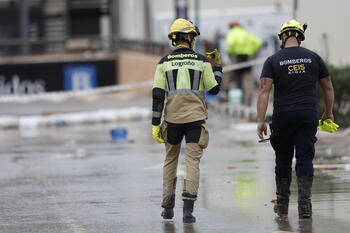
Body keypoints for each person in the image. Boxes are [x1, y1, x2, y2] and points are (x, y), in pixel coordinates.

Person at [257, 19, 335, 218]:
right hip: (307, 115)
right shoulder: (314, 58)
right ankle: (305, 205)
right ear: (300, 37)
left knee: (283, 159)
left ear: (283, 37)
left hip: (283, 116)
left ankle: (282, 205)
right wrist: (328, 112)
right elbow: (328, 87)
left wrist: (260, 120)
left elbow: (264, 91)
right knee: (304, 158)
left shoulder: (273, 60)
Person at [151, 18, 222, 223]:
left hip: (172, 120)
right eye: (193, 36)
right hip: (195, 120)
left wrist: (155, 124)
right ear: (189, 37)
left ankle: (167, 208)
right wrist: (217, 66)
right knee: (192, 162)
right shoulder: (201, 61)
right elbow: (214, 89)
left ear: (175, 39)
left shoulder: (163, 63)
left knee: (170, 161)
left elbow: (158, 96)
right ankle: (188, 211)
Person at [226, 20, 262, 105]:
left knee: (238, 78)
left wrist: (230, 54)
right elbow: (258, 43)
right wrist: (253, 52)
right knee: (248, 79)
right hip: (248, 58)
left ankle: (240, 99)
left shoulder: (232, 33)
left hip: (238, 57)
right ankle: (248, 99)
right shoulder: (246, 33)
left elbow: (230, 44)